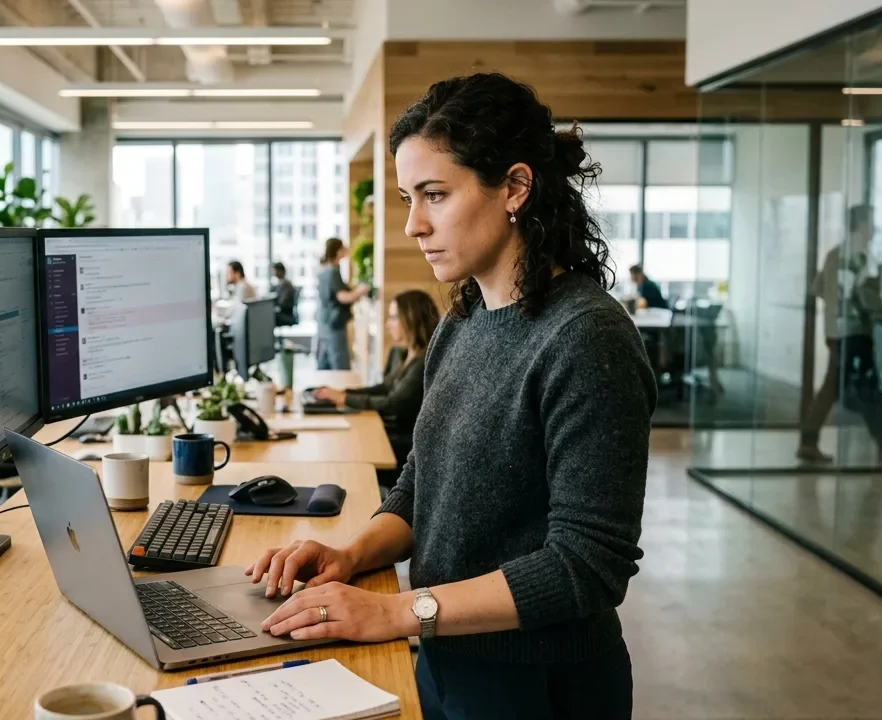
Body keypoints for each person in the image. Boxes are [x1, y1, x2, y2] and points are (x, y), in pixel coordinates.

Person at [245, 73, 655, 719]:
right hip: (447, 654)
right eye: (410, 197)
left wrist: (393, 610)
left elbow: (587, 565)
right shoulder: (461, 323)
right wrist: (351, 555)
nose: (413, 224)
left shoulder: (586, 338)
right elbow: (420, 486)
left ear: (515, 187)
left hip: (541, 686)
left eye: (435, 194)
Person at [798, 205, 882, 464]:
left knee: (855, 388)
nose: (875, 227)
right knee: (841, 387)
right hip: (854, 332)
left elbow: (818, 288)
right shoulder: (860, 257)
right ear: (862, 224)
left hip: (835, 330)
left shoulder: (834, 254)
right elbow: (865, 296)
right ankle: (809, 442)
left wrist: (836, 308)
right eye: (872, 221)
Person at [311, 289, 440, 487]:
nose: (388, 323)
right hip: (389, 430)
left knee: (349, 450)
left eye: (394, 317)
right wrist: (344, 394)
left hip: (404, 443)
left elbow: (393, 403)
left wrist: (344, 399)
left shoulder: (424, 361)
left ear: (411, 318)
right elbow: (384, 387)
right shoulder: (400, 353)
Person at [316, 238, 370, 370]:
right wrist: (360, 291)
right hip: (334, 324)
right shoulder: (333, 271)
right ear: (338, 251)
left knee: (326, 363)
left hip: (324, 323)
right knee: (340, 364)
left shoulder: (323, 269)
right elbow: (342, 297)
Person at [272, 262, 298, 327]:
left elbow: (283, 303)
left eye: (275, 270)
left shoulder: (286, 285)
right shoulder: (279, 284)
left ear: (280, 271)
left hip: (286, 315)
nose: (273, 272)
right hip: (283, 313)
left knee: (267, 316)